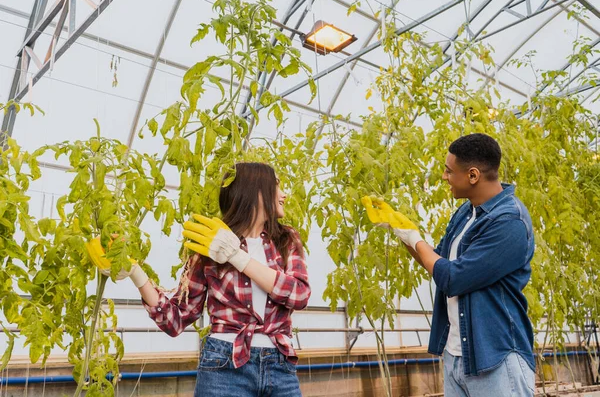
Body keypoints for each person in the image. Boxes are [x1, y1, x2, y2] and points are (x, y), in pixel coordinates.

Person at [87, 162, 310, 397]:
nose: (284, 194)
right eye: (276, 186)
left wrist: (237, 257)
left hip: (280, 366)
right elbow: (176, 320)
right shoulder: (209, 245)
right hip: (224, 365)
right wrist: (135, 272)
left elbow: (300, 295)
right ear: (256, 190)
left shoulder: (287, 239)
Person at [362, 133, 536, 396]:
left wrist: (415, 236)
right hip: (457, 356)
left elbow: (453, 278)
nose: (444, 177)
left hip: (496, 359)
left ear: (473, 175)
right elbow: (436, 262)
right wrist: (400, 229)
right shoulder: (466, 212)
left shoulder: (509, 221)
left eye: (448, 170)